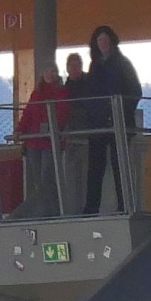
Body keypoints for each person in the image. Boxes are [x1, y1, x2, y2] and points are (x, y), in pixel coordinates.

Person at [83, 26, 143, 215]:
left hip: (119, 122)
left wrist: (121, 111)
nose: (103, 44)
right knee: (95, 168)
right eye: (100, 40)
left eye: (105, 40)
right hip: (99, 124)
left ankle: (124, 206)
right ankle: (91, 209)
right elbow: (90, 94)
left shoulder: (122, 64)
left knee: (120, 166)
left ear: (112, 41)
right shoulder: (94, 66)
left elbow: (135, 91)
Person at [14, 63, 71, 219]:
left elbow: (61, 114)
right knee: (39, 180)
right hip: (34, 142)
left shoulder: (62, 92)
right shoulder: (36, 93)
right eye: (47, 71)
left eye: (53, 71)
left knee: (47, 178)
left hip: (49, 142)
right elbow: (28, 114)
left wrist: (52, 128)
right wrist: (20, 129)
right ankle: (45, 210)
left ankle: (52, 211)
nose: (50, 74)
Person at [61, 52, 95, 214]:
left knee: (87, 174)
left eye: (77, 66)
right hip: (72, 136)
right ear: (67, 68)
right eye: (72, 66)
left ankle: (86, 207)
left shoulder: (90, 85)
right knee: (72, 176)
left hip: (87, 135)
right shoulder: (65, 89)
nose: (75, 69)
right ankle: (73, 209)